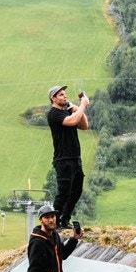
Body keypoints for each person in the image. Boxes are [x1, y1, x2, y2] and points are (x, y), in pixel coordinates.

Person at [46, 84, 90, 230]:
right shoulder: (54, 114)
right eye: (61, 95)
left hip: (75, 159)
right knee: (63, 192)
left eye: (65, 94)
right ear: (53, 98)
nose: (65, 96)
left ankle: (65, 219)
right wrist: (82, 105)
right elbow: (71, 121)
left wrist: (76, 108)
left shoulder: (66, 113)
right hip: (63, 160)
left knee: (76, 191)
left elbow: (84, 125)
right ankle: (56, 222)